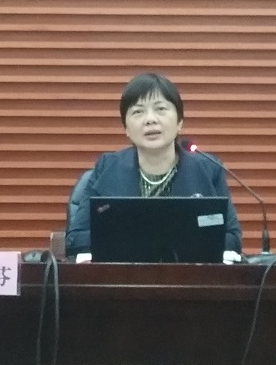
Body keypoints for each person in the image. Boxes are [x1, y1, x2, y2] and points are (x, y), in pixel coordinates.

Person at [65, 72, 242, 257]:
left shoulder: (209, 170)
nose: (150, 119)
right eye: (138, 112)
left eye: (160, 109)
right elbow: (75, 239)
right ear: (126, 128)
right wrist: (164, 236)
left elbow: (232, 239)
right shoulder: (106, 168)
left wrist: (140, 237)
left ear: (179, 122)